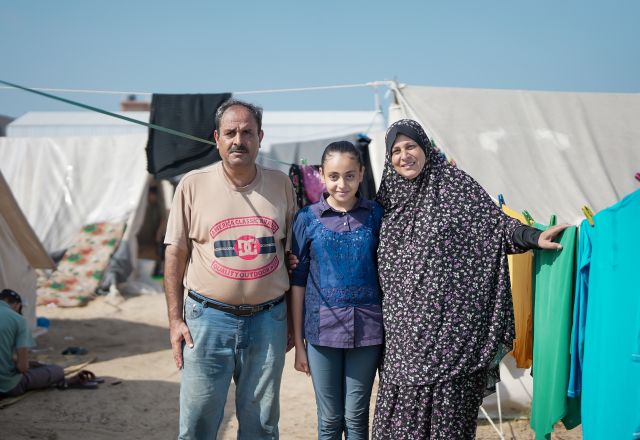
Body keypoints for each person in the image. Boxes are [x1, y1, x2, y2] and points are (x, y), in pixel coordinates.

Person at [371, 119, 569, 440]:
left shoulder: (455, 187)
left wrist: (534, 236)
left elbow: (497, 227)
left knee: (448, 430)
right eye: (396, 150)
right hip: (401, 342)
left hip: (452, 340)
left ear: (425, 148)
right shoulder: (385, 201)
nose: (404, 156)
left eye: (411, 147)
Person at [163, 99, 297, 440]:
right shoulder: (192, 185)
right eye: (231, 133)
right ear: (217, 139)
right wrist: (175, 320)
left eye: (247, 132)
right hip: (207, 321)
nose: (239, 140)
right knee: (198, 422)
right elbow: (175, 254)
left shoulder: (281, 185)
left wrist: (295, 323)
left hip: (269, 321)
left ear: (260, 137)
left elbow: (293, 255)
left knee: (261, 424)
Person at [290, 141, 384, 439]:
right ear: (321, 175)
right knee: (329, 420)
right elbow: (298, 281)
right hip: (321, 331)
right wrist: (300, 344)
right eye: (333, 176)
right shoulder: (306, 218)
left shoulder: (376, 215)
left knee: (356, 418)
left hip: (368, 329)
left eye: (349, 175)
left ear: (361, 173)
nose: (341, 184)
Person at [0, 289, 98, 398]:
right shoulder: (18, 320)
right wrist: (25, 363)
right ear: (16, 305)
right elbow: (23, 368)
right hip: (7, 387)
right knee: (57, 370)